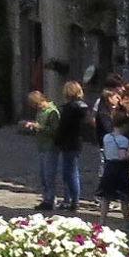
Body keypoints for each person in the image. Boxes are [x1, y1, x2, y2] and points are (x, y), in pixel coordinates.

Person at [20, 87, 59, 211]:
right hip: (42, 146)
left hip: (50, 147)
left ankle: (50, 200)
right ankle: (47, 198)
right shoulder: (40, 112)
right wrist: (33, 126)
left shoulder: (52, 112)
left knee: (49, 175)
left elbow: (55, 131)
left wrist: (39, 127)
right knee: (43, 175)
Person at [52, 81, 89, 212]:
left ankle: (75, 201)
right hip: (77, 142)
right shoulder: (83, 107)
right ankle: (70, 199)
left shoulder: (69, 108)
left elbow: (63, 127)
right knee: (71, 171)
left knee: (70, 172)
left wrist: (57, 140)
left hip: (68, 142)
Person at [98, 110, 129, 222]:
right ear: (125, 125)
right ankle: (127, 221)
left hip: (108, 167)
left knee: (106, 197)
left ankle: (102, 221)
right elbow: (122, 156)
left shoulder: (106, 137)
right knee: (124, 198)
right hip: (120, 170)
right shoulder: (123, 140)